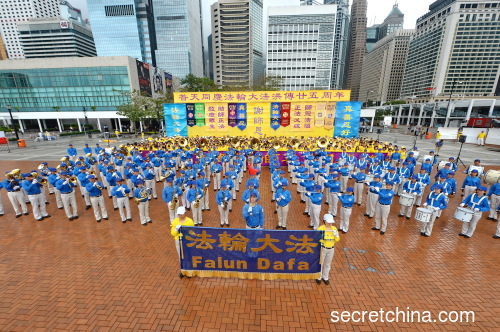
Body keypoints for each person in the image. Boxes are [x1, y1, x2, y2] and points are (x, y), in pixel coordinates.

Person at [170, 206, 195, 278]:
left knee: (188, 255)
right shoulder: (175, 221)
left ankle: (189, 271)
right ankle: (183, 270)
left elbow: (192, 232)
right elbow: (173, 233)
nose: (180, 215)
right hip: (178, 240)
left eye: (181, 214)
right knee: (180, 256)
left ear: (185, 213)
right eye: (178, 214)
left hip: (187, 241)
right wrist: (176, 229)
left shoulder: (190, 221)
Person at [316, 214, 340, 286]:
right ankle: (319, 277)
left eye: (331, 222)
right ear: (324, 221)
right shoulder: (321, 228)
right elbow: (316, 238)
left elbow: (337, 240)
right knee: (321, 263)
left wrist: (336, 235)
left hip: (331, 249)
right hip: (323, 248)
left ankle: (325, 277)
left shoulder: (334, 229)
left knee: (327, 264)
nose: (330, 223)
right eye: (328, 222)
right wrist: (323, 240)